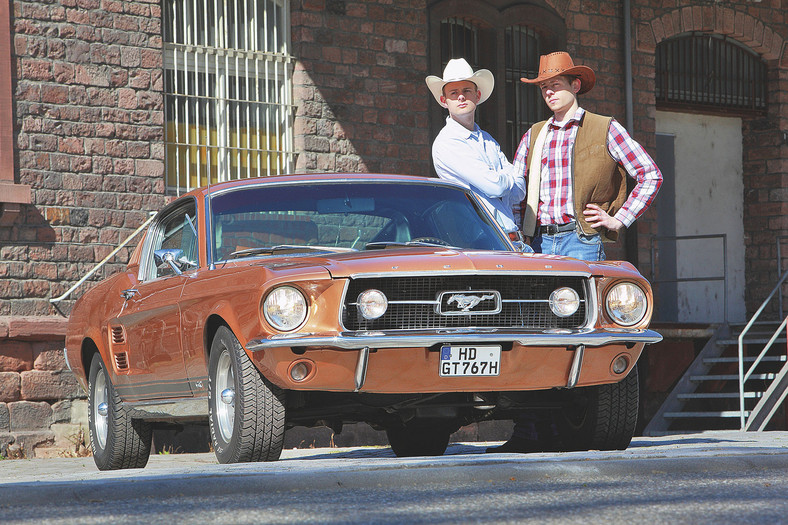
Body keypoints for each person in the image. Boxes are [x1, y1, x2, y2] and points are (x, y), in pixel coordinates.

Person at [489, 51, 663, 454]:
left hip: (579, 241)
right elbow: (516, 192)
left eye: (556, 84)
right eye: (544, 86)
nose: (549, 91)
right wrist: (514, 238)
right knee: (529, 334)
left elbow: (649, 173)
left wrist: (619, 220)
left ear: (575, 86)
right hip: (535, 244)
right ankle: (531, 431)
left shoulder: (605, 128)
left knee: (583, 335)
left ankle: (582, 425)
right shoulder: (533, 134)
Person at [426, 58, 526, 236]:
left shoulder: (487, 139)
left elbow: (520, 192)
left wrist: (502, 181)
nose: (461, 97)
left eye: (466, 90)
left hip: (507, 239)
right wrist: (508, 178)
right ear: (444, 100)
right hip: (481, 240)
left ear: (477, 96)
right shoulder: (448, 142)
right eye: (454, 93)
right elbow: (496, 187)